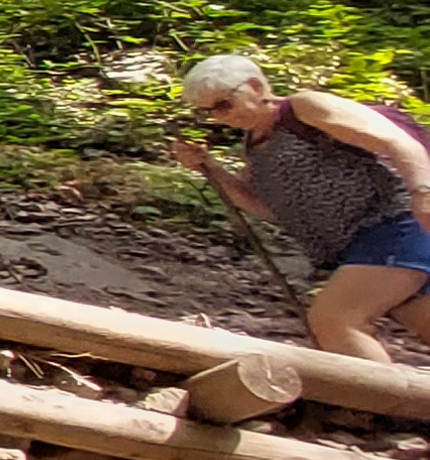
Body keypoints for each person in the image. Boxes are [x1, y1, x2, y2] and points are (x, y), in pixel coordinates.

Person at [170, 55, 430, 358]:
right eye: (209, 112)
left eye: (224, 104)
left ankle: (384, 403)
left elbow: (397, 142)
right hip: (356, 246)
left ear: (255, 86)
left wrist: (423, 192)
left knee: (335, 320)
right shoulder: (254, 144)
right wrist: (211, 169)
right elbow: (271, 208)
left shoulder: (303, 109)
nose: (219, 117)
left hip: (395, 225)